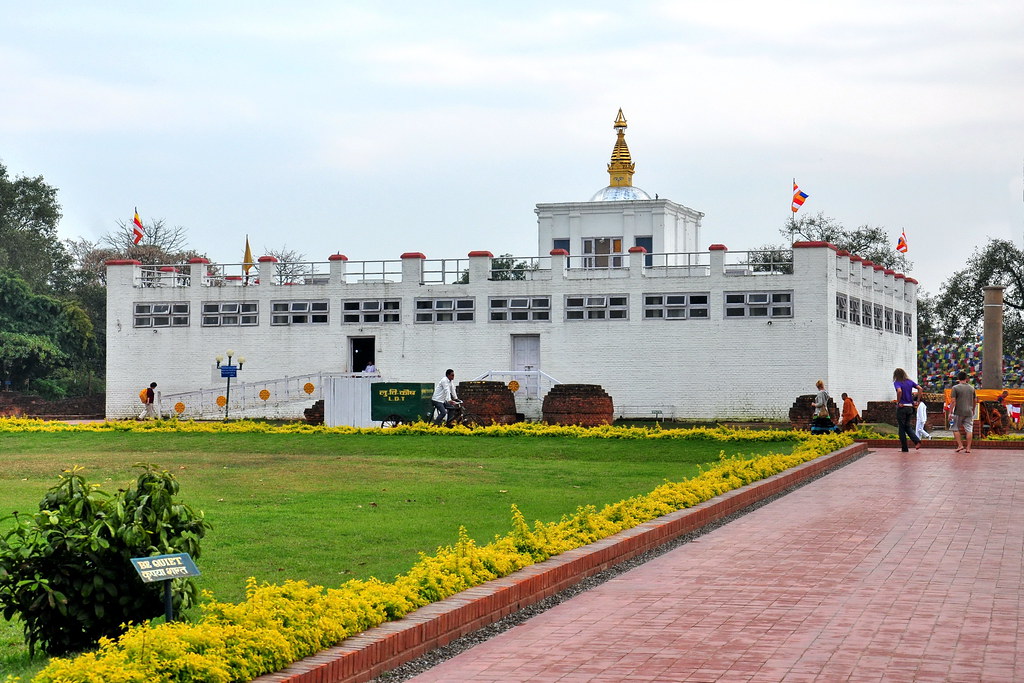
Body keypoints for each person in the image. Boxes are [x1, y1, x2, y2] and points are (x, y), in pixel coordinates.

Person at [892, 368, 921, 452]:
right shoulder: (910, 381)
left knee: (901, 427)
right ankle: (917, 441)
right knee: (907, 426)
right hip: (910, 407)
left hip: (902, 407)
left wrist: (898, 401)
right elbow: (920, 388)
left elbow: (899, 391)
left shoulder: (897, 382)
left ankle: (904, 448)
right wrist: (917, 401)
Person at [950, 370, 977, 453]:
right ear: (966, 378)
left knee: (955, 428)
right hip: (969, 411)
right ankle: (968, 448)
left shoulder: (955, 388)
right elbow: (975, 400)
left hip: (958, 411)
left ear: (958, 378)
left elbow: (953, 401)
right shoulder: (971, 388)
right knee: (969, 429)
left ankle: (960, 445)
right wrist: (973, 409)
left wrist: (950, 412)